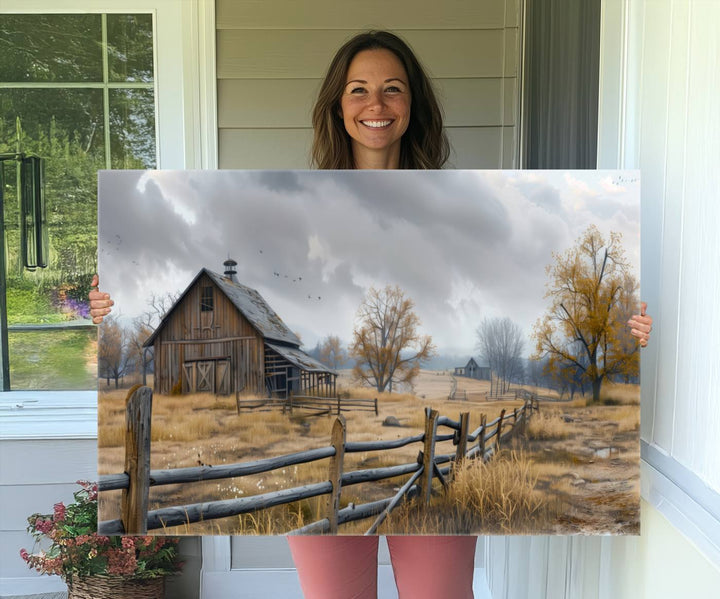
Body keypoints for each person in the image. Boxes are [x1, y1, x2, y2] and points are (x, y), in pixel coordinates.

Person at [90, 30, 653, 599]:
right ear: (339, 105)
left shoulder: (458, 205)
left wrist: (625, 337)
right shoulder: (300, 209)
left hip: (423, 464)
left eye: (392, 89)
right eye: (358, 90)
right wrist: (112, 305)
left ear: (413, 106)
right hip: (316, 469)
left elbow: (516, 289)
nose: (375, 105)